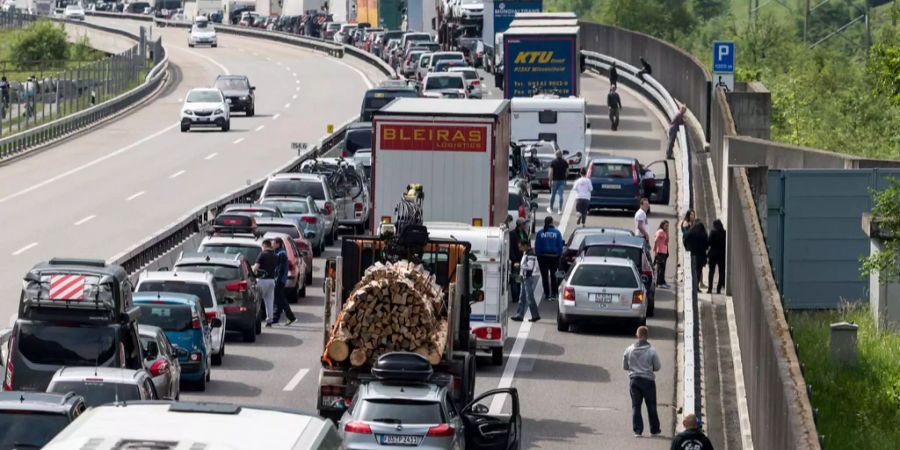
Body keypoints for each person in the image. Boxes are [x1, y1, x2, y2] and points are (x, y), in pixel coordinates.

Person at [623, 325, 662, 437]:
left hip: (634, 380)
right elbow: (657, 367)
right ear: (647, 336)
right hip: (648, 381)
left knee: (636, 406)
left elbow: (625, 366)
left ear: (637, 335)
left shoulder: (629, 350)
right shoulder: (652, 351)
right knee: (651, 406)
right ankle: (654, 430)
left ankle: (637, 431)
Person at [534, 216, 564, 301]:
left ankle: (547, 294)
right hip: (554, 257)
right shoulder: (557, 233)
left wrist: (538, 256)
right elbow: (560, 246)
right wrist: (559, 256)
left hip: (543, 257)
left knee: (545, 277)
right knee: (554, 275)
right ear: (552, 222)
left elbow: (537, 246)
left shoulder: (540, 233)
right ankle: (554, 294)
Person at [511, 242, 540, 322]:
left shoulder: (530, 254)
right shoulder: (526, 253)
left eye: (521, 247)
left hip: (528, 277)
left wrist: (520, 266)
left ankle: (534, 315)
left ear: (525, 246)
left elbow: (530, 267)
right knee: (522, 297)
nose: (520, 249)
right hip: (525, 277)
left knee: (529, 297)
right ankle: (520, 315)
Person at [252, 240, 278, 327]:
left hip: (262, 280)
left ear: (264, 246)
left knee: (257, 301)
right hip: (271, 280)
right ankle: (269, 320)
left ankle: (256, 320)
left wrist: (252, 273)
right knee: (269, 301)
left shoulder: (262, 254)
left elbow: (255, 268)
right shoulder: (275, 256)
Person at [272, 238, 297, 325]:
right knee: (279, 299)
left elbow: (280, 269)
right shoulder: (278, 253)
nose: (272, 244)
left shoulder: (281, 254)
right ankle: (276, 318)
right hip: (280, 280)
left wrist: (277, 280)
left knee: (281, 299)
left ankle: (291, 317)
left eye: (273, 243)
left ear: (278, 244)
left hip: (280, 280)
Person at [685, 220, 709, 295]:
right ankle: (696, 287)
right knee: (698, 271)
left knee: (692, 271)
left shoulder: (690, 233)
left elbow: (685, 241)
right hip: (701, 256)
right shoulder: (703, 234)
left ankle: (692, 286)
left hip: (692, 255)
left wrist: (688, 248)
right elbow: (707, 245)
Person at [509, 217, 529, 303]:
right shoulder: (513, 234)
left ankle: (519, 296)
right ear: (520, 225)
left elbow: (527, 246)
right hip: (516, 260)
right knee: (515, 278)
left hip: (523, 259)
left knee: (520, 278)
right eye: (524, 224)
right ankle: (515, 297)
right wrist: (515, 260)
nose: (525, 225)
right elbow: (511, 248)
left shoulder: (524, 233)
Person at [707, 219, 726, 294]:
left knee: (711, 272)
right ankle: (718, 289)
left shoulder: (713, 232)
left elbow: (709, 242)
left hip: (713, 254)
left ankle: (710, 288)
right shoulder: (724, 233)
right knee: (721, 272)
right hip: (722, 255)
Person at [547, 150, 569, 215]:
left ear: (556, 155)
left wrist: (550, 181)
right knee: (561, 195)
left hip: (554, 181)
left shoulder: (553, 162)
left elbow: (551, 173)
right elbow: (567, 172)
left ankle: (551, 208)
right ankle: (560, 210)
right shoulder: (565, 162)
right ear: (561, 155)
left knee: (553, 195)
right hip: (562, 180)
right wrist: (564, 178)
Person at [654, 221, 671, 289]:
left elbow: (667, 241)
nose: (667, 227)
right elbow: (656, 241)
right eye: (666, 225)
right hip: (660, 252)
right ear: (662, 225)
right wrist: (655, 251)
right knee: (660, 268)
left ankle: (662, 281)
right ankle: (659, 283)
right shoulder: (660, 231)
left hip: (664, 251)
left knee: (663, 268)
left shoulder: (664, 232)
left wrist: (667, 231)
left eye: (668, 226)